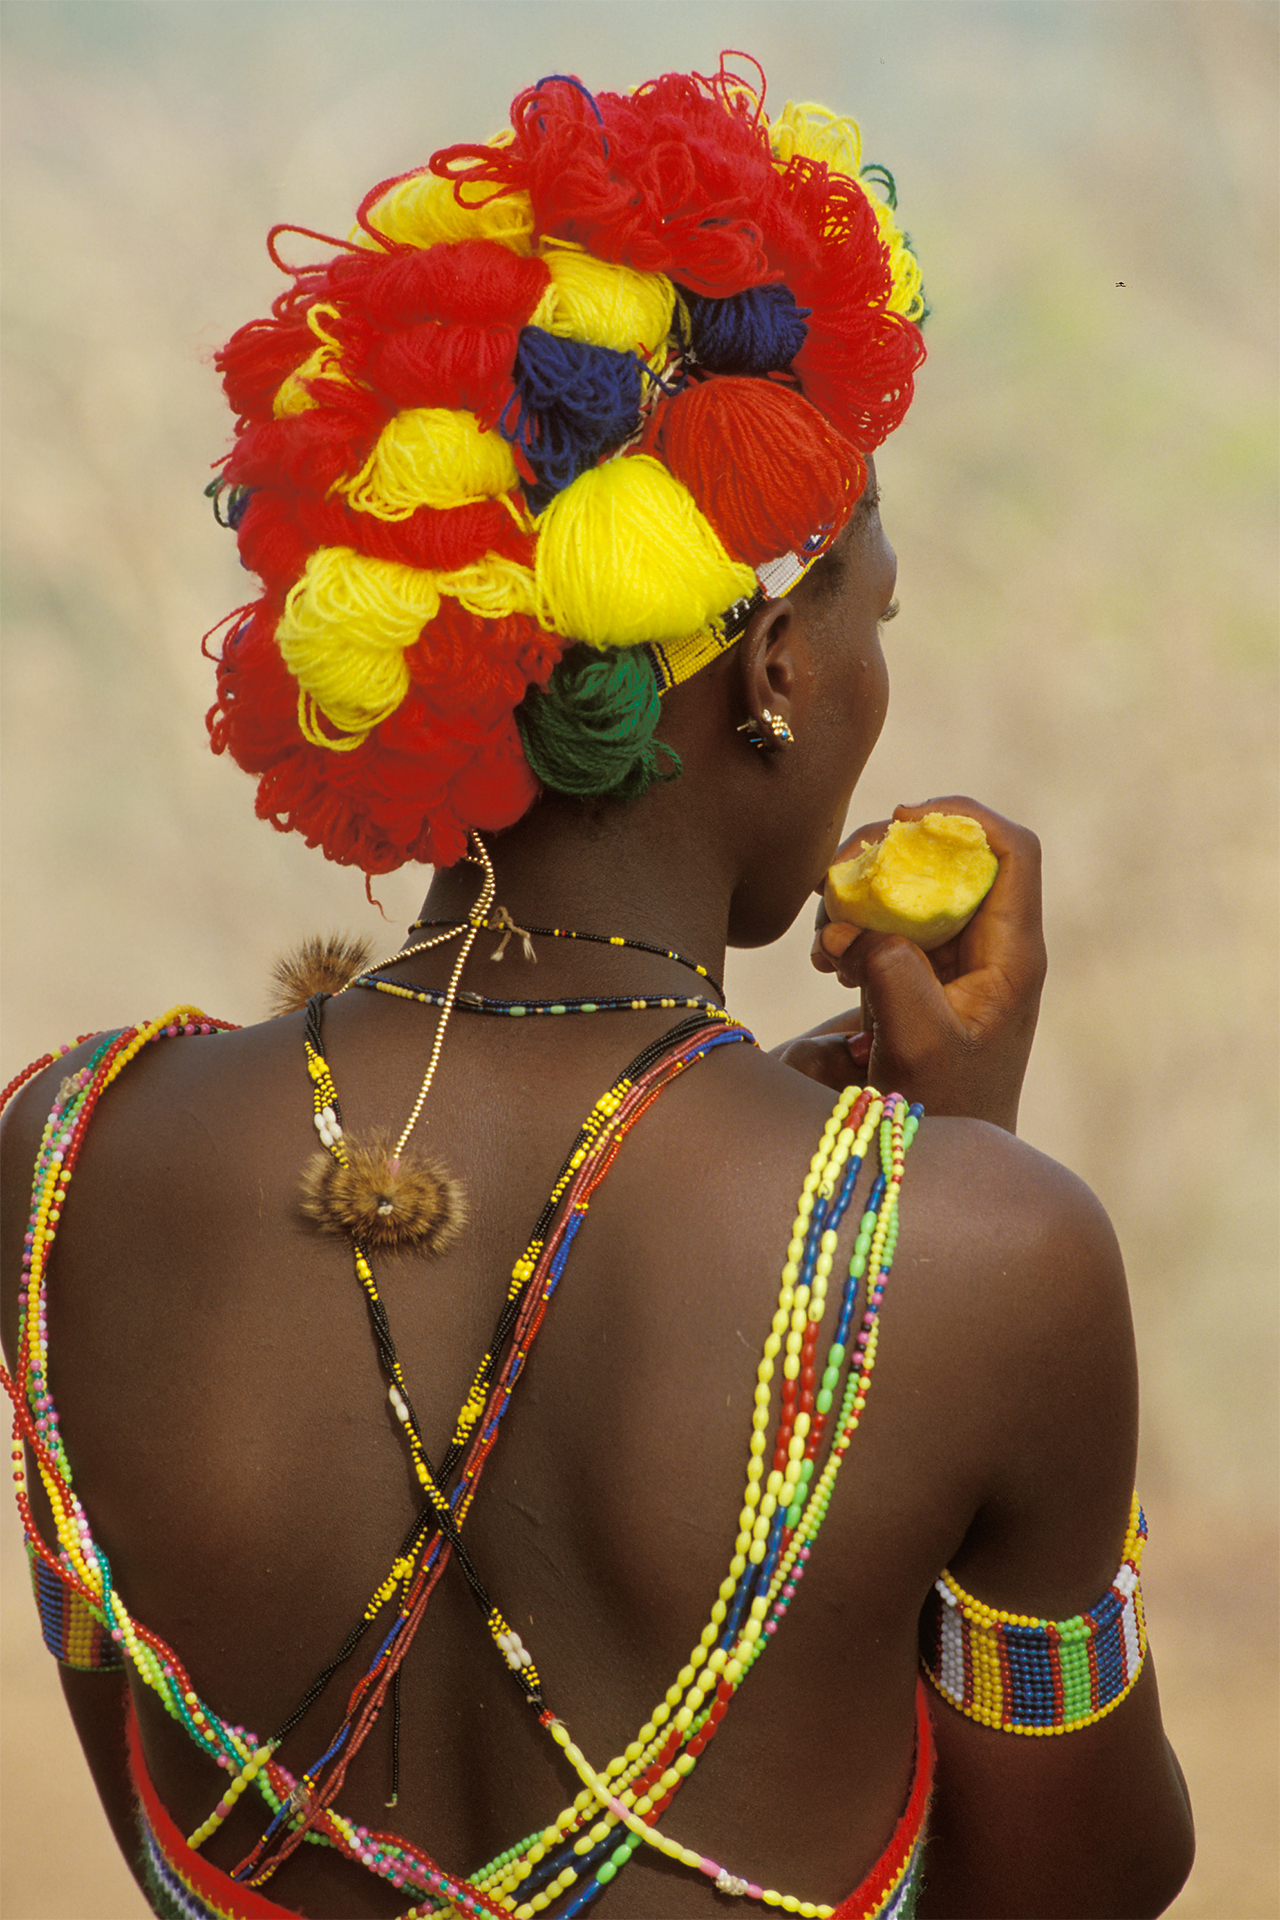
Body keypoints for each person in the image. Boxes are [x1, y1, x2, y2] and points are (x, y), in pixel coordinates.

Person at [0, 60, 1193, 1920]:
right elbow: (1083, 1887)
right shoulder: (977, 1256)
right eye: (879, 610)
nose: (879, 674)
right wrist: (954, 1191)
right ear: (777, 667)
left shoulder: (61, 1166)